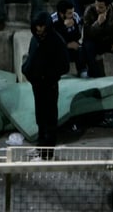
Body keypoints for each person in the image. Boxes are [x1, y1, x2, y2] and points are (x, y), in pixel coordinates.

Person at [21, 11, 69, 160]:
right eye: (37, 26)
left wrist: (49, 77)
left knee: (50, 120)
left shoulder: (57, 41)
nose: (39, 30)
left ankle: (48, 154)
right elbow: (31, 58)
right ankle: (41, 148)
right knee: (40, 118)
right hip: (37, 85)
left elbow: (64, 66)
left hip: (49, 85)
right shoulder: (35, 40)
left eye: (42, 26)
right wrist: (29, 73)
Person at [50, 0, 85, 77]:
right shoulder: (52, 20)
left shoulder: (75, 16)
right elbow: (52, 40)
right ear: (61, 14)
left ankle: (82, 71)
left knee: (80, 48)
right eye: (69, 13)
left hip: (72, 44)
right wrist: (64, 27)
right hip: (58, 47)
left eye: (72, 12)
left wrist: (74, 25)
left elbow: (78, 35)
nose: (72, 15)